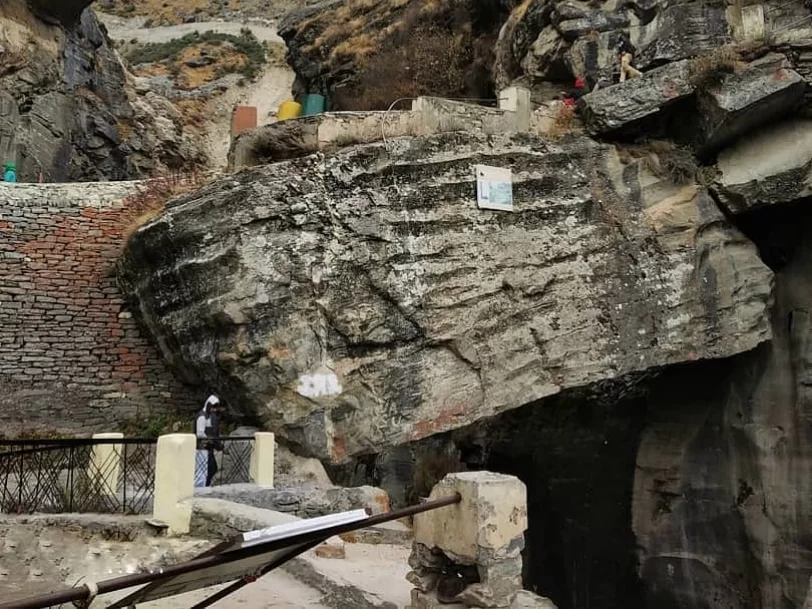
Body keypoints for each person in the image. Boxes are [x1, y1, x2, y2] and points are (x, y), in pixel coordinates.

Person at [194, 395, 220, 487]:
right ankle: (199, 488)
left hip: (208, 448)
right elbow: (200, 433)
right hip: (202, 448)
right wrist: (209, 439)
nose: (214, 410)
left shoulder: (208, 416)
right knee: (202, 471)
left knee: (211, 469)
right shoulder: (202, 417)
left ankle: (205, 486)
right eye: (213, 407)